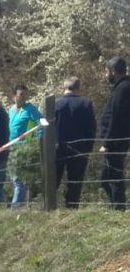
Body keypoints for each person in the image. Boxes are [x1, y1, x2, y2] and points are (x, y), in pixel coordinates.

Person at [55, 77, 96, 208]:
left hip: (58, 148)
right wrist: (89, 147)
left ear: (64, 87)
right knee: (75, 182)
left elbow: (49, 128)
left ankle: (49, 208)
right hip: (80, 148)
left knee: (53, 180)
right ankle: (72, 208)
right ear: (78, 88)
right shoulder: (86, 104)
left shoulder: (55, 104)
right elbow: (91, 127)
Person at [99, 57, 130, 209]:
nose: (105, 76)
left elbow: (115, 117)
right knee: (107, 177)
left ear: (113, 71)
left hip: (116, 142)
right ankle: (117, 207)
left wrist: (107, 143)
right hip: (118, 140)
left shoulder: (122, 88)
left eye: (106, 72)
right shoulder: (122, 87)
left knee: (112, 176)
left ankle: (118, 208)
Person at [8, 84, 44, 207]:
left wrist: (38, 141)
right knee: (14, 179)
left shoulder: (30, 109)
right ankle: (21, 206)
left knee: (19, 180)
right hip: (10, 148)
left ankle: (15, 207)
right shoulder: (10, 110)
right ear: (14, 96)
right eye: (21, 95)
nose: (24, 98)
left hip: (23, 149)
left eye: (26, 95)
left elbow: (42, 123)